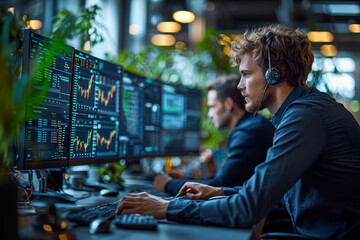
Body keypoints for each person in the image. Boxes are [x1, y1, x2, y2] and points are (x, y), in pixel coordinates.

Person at [116, 24, 360, 239]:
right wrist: (220, 191)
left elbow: (247, 209)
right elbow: (281, 195)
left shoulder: (305, 118)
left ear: (275, 74)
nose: (239, 85)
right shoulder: (306, 110)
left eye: (245, 74)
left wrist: (165, 208)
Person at [152, 75, 275, 196]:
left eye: (212, 107)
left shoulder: (248, 133)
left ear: (228, 104)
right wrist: (208, 173)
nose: (210, 115)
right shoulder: (252, 125)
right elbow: (230, 184)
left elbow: (220, 187)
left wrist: (168, 184)